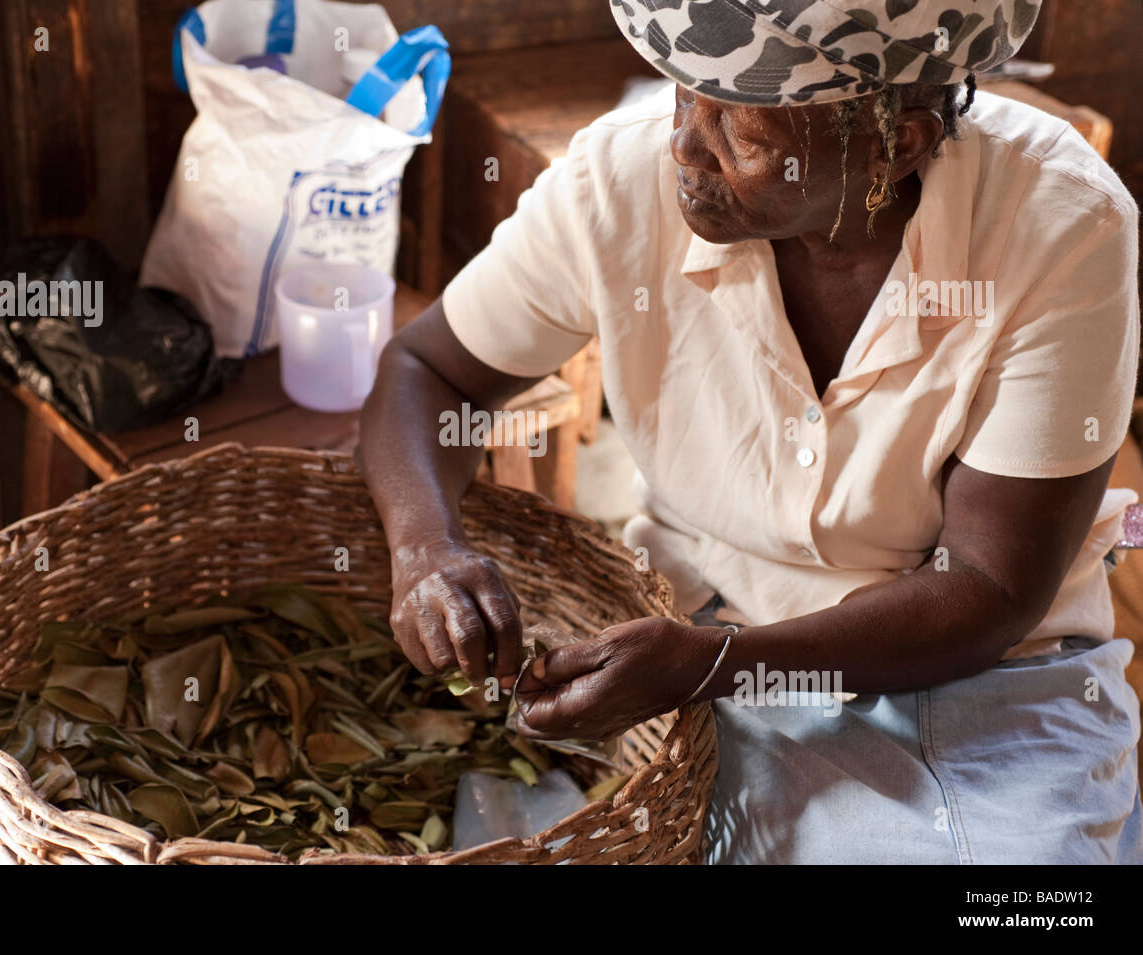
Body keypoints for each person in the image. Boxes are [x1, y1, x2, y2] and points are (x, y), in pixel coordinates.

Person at [358, 0, 1142, 863]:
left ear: (899, 144)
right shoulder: (616, 186)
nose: (686, 146)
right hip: (694, 626)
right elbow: (424, 373)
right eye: (684, 96)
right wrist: (427, 543)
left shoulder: (1060, 225)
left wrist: (714, 664)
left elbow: (989, 586)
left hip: (984, 670)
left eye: (743, 131)